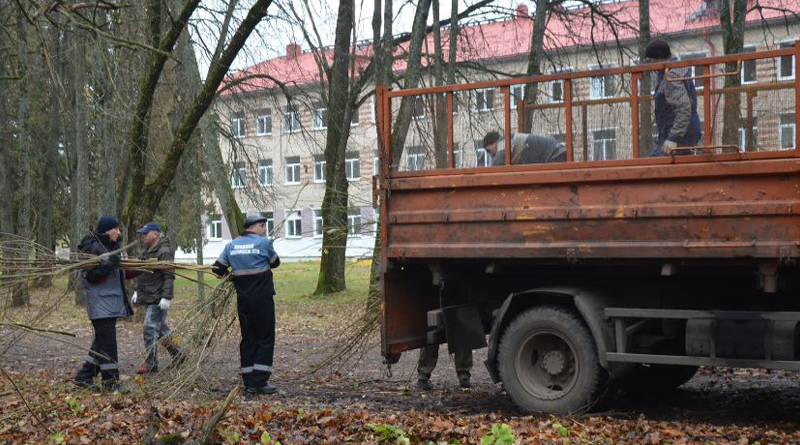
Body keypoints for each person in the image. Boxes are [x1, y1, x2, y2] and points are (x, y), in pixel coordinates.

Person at [212, 214, 281, 395]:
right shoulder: (263, 243)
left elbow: (217, 268)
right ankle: (260, 382)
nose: (264, 229)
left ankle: (249, 381)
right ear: (252, 227)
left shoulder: (231, 245)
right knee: (265, 338)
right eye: (262, 225)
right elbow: (276, 263)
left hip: (243, 299)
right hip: (263, 299)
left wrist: (232, 277)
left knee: (248, 338)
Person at [73, 216, 133, 391]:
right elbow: (91, 275)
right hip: (100, 303)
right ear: (107, 230)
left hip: (109, 301)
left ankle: (84, 377)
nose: (119, 233)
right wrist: (109, 263)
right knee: (108, 345)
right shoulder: (92, 246)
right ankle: (111, 383)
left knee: (101, 343)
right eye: (116, 229)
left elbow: (118, 274)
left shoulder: (110, 246)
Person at [130, 221, 184, 374]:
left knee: (149, 328)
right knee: (162, 331)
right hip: (148, 295)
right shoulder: (147, 250)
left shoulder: (164, 251)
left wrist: (166, 297)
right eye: (141, 234)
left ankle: (150, 363)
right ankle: (179, 355)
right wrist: (136, 290)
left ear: (155, 234)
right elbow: (142, 272)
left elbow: (169, 276)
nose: (142, 237)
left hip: (157, 298)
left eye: (145, 234)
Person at [645, 38, 702, 156]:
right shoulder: (674, 70)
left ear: (659, 57)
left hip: (680, 135)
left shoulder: (671, 75)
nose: (650, 64)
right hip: (682, 132)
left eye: (651, 60)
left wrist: (673, 138)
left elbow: (683, 109)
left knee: (652, 169)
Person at [482, 131, 566, 166]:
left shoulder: (503, 141)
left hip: (556, 154)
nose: (491, 155)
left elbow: (497, 165)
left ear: (494, 143)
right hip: (559, 152)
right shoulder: (511, 142)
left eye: (488, 150)